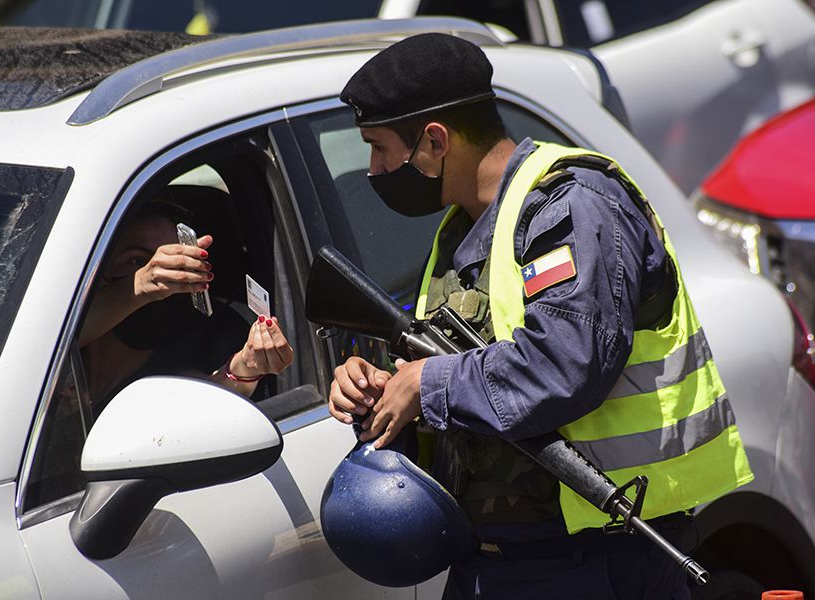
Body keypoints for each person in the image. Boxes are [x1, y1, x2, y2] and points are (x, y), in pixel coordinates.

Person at [327, 33, 753, 598]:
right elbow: (454, 363)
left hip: (597, 556)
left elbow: (567, 361)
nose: (374, 169)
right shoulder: (459, 231)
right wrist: (378, 386)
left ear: (433, 140)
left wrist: (428, 384)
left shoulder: (572, 205)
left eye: (379, 148)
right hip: (498, 562)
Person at [80, 198, 293, 412]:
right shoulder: (61, 350)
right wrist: (139, 286)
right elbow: (57, 333)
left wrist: (248, 365)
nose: (162, 281)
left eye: (178, 267)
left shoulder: (167, 371)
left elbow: (210, 394)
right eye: (137, 261)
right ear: (98, 273)